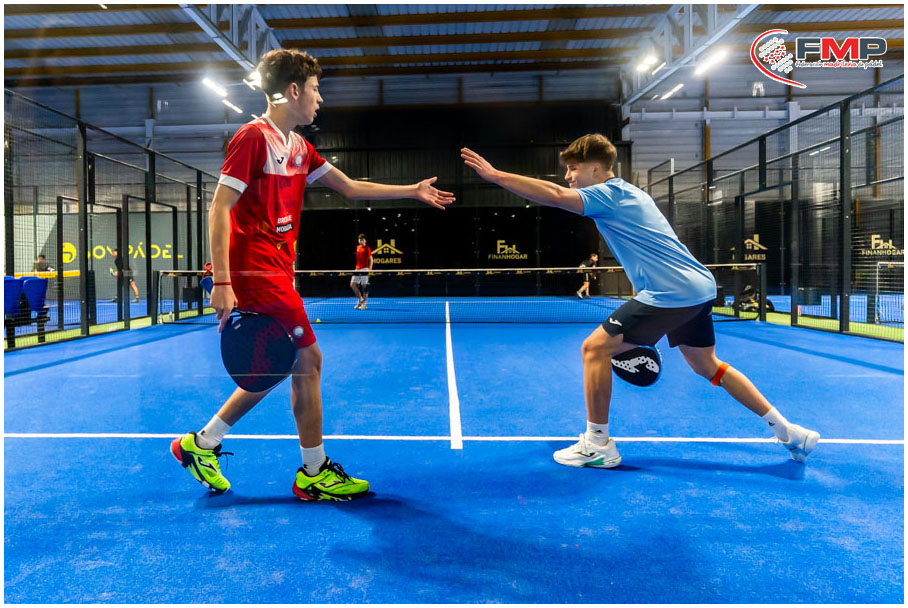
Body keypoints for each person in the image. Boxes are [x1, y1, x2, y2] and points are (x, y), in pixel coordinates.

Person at [171, 49, 454, 500]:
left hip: (278, 270)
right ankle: (314, 472)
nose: (320, 99)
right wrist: (222, 282)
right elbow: (219, 208)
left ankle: (201, 443)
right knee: (310, 360)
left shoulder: (300, 148)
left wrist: (412, 190)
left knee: (282, 362)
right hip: (255, 270)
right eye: (316, 89)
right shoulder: (253, 138)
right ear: (293, 90)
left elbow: (350, 187)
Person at [461, 134, 819, 468]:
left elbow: (554, 196)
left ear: (596, 169)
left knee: (594, 350)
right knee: (707, 365)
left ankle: (598, 445)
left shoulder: (607, 194)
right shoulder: (629, 193)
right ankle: (788, 431)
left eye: (573, 168)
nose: (568, 176)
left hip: (672, 292)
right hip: (697, 288)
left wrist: (495, 176)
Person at [351, 233, 372, 310]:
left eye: (362, 240)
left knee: (364, 287)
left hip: (365, 269)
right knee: (352, 285)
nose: (361, 241)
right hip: (357, 269)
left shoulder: (367, 248)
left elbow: (371, 260)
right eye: (360, 240)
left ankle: (364, 304)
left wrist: (370, 270)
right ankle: (360, 300)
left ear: (365, 240)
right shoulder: (357, 248)